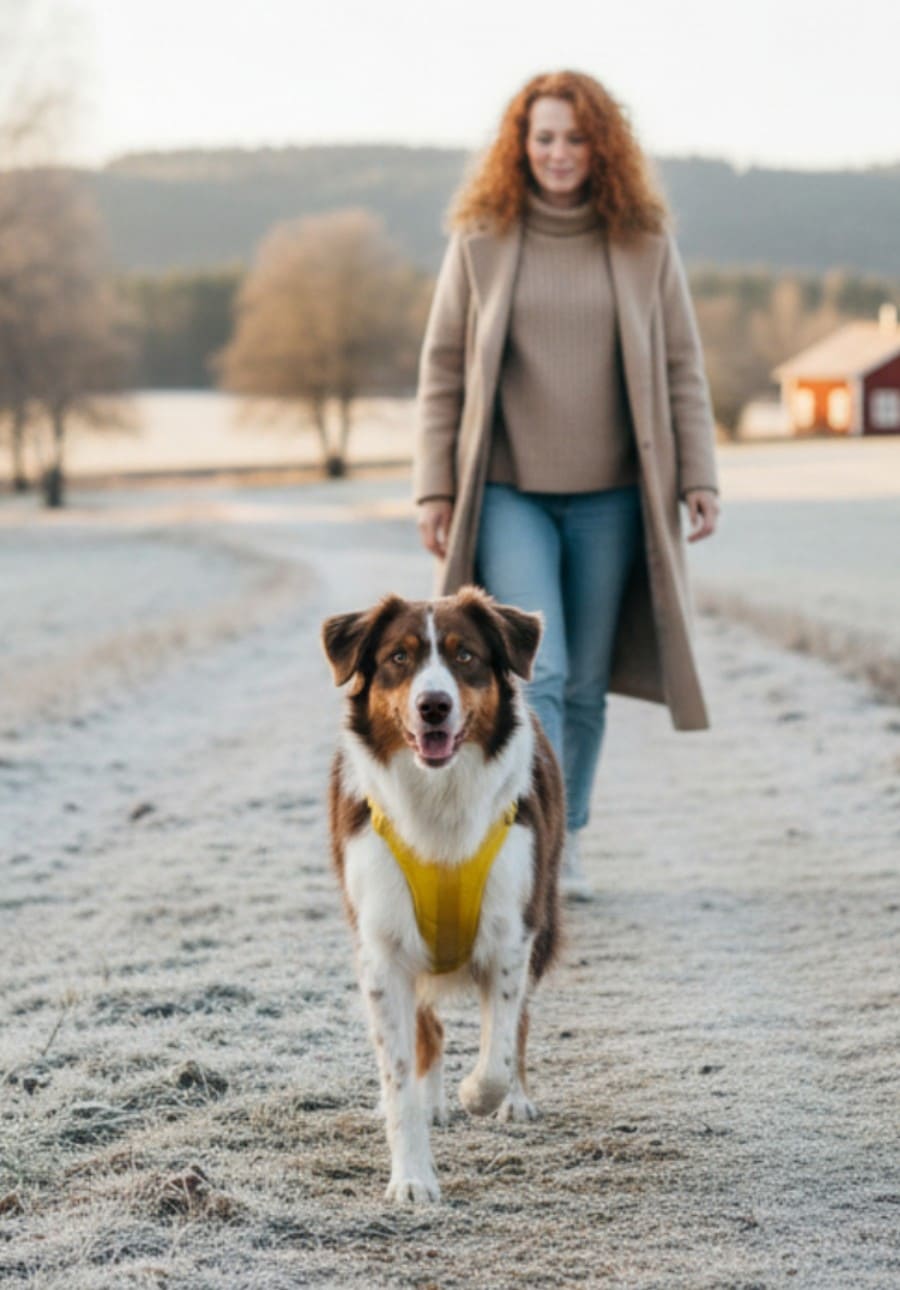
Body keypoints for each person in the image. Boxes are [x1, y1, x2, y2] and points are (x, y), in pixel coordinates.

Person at [412, 70, 720, 900]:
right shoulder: (480, 237)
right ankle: (525, 835)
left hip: (616, 494)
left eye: (576, 138)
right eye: (543, 137)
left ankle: (566, 835)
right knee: (538, 674)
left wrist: (699, 473)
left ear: (602, 146)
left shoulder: (644, 242)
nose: (558, 153)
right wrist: (433, 488)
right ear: (521, 145)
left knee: (584, 682)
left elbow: (683, 368)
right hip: (511, 489)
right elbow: (442, 368)